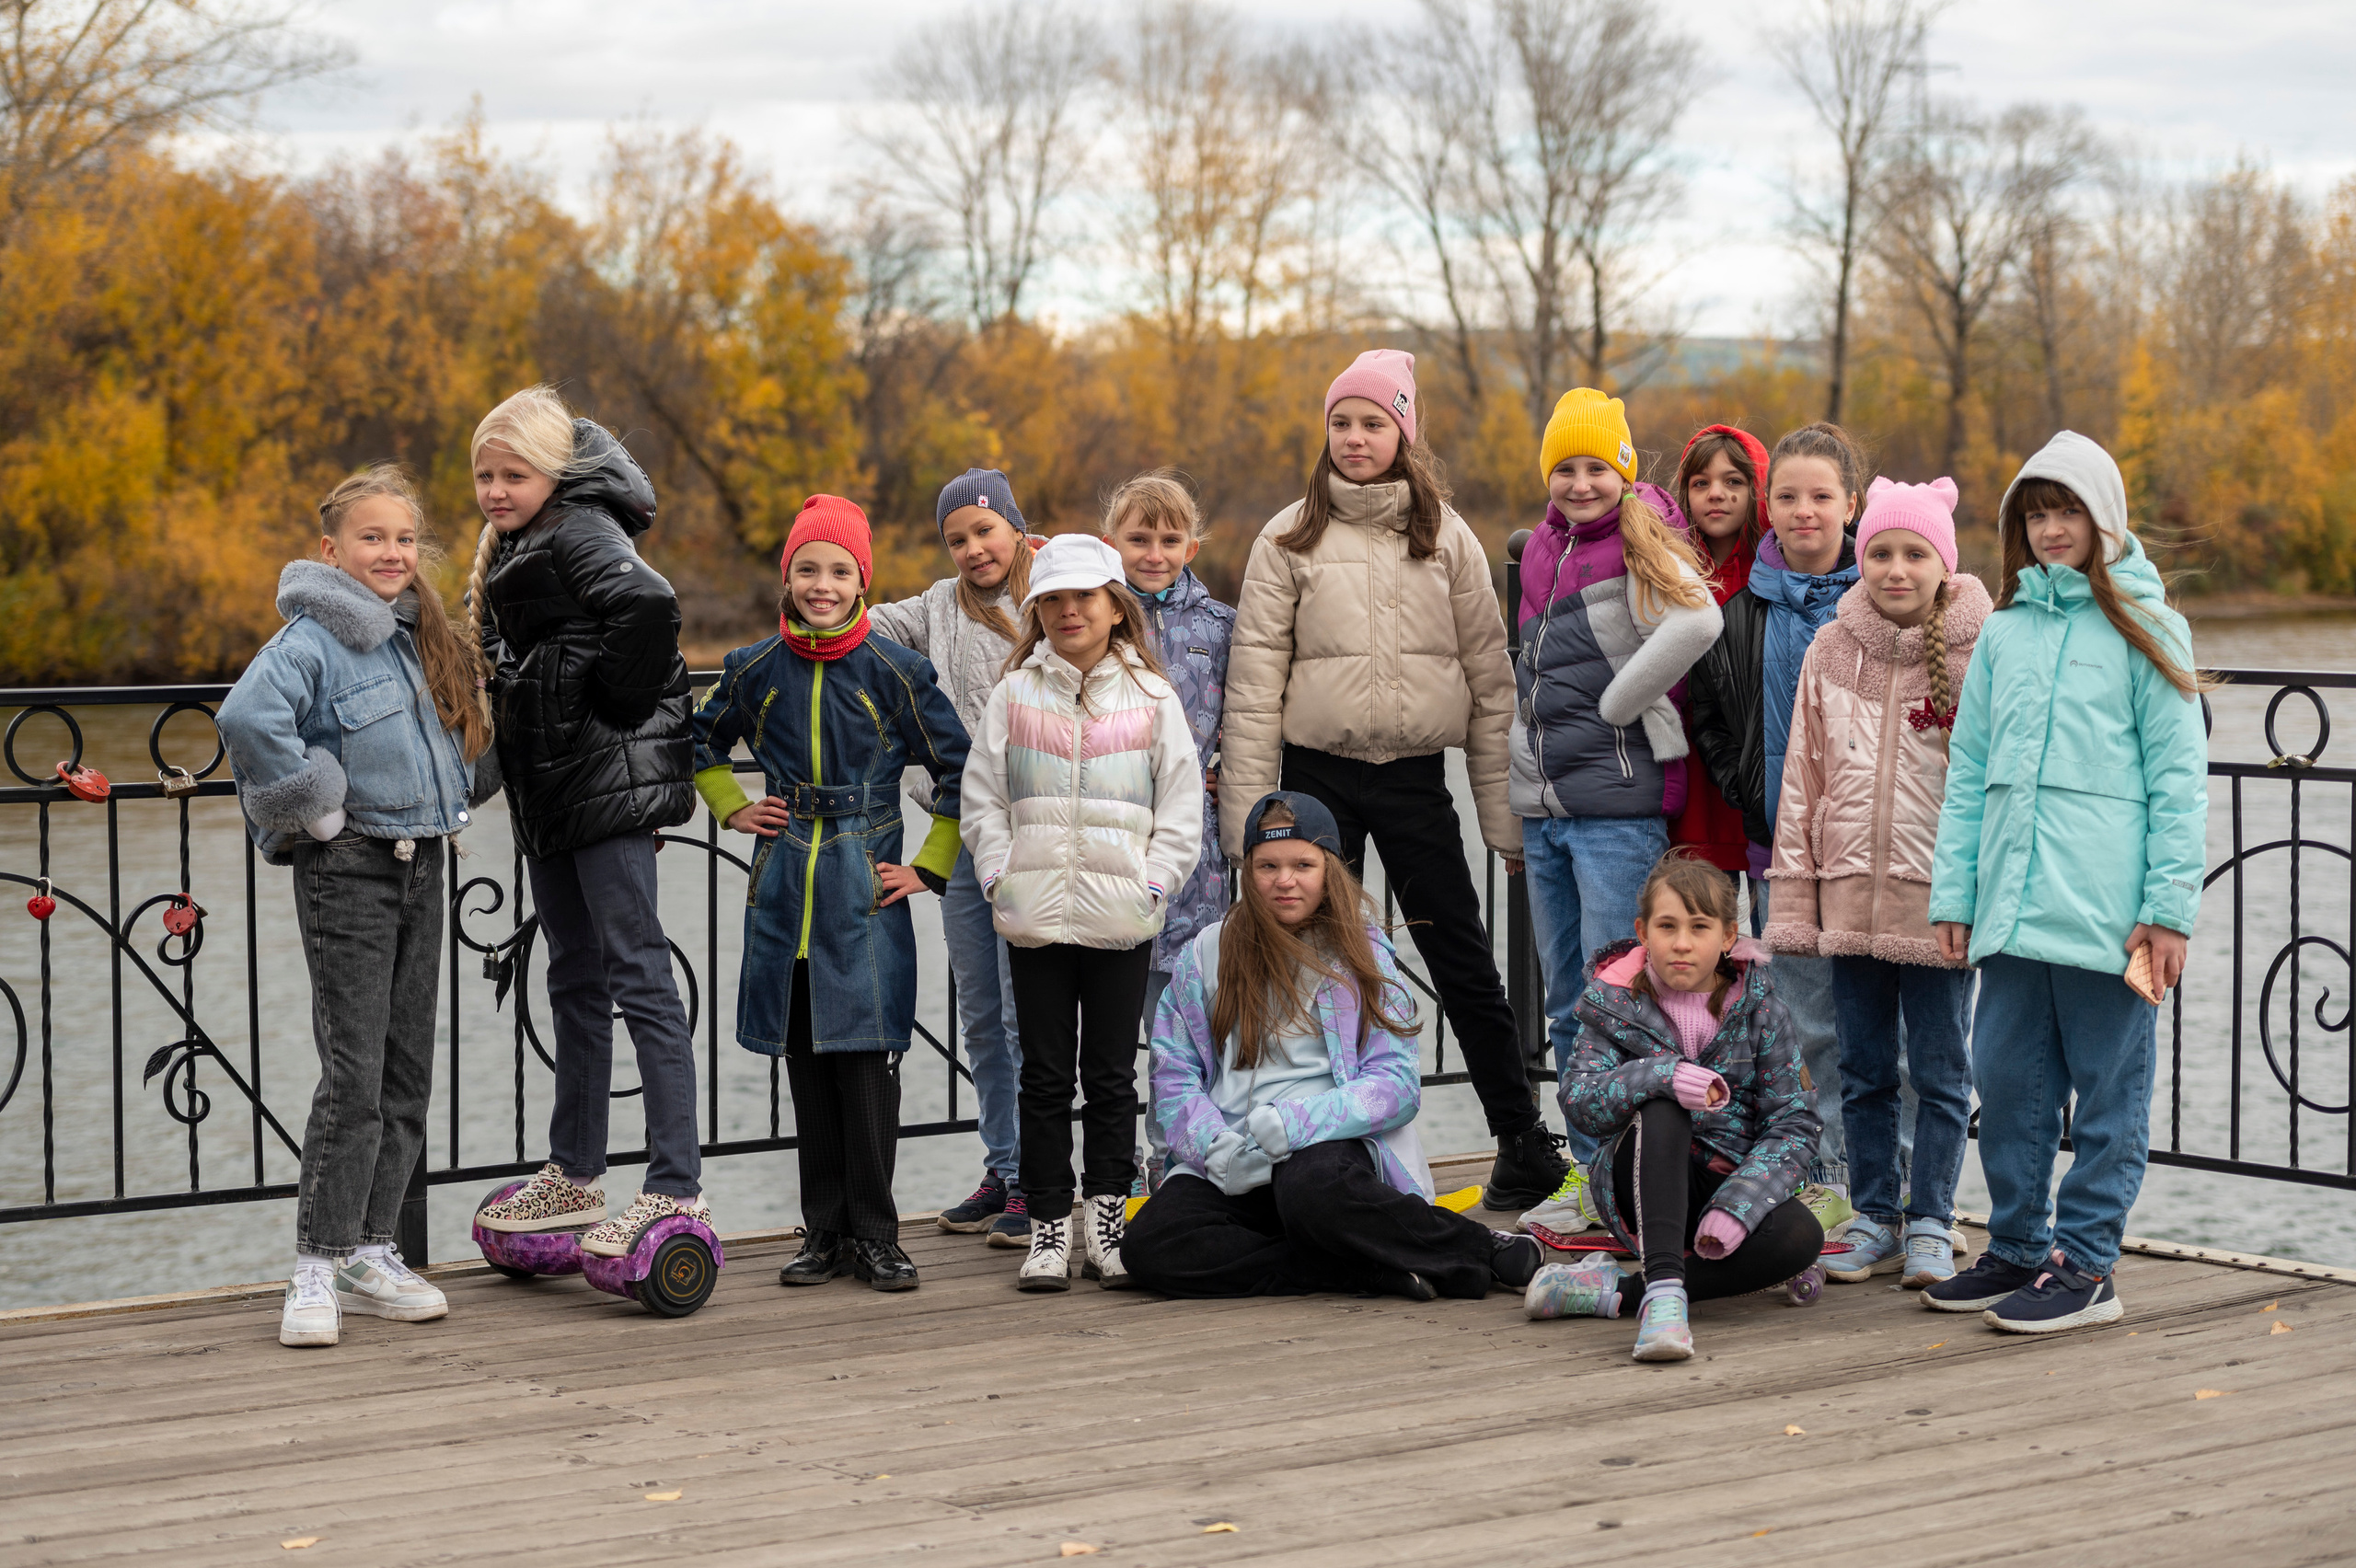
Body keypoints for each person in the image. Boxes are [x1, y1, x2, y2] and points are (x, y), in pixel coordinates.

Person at [1221, 350, 1566, 1211]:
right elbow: (1256, 684)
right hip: (1313, 784)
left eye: (1374, 423)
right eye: (1342, 422)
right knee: (1302, 964)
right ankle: (1285, 1145)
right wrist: (1247, 827)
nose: (1356, 437)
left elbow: (1492, 683)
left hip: (1413, 779)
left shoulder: (1446, 535)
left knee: (1458, 953)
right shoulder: (1286, 536)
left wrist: (1504, 823)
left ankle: (1520, 1138)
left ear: (1404, 433)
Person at [1925, 432, 2209, 1333]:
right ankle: (2014, 1245)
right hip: (2012, 913)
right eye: (2035, 514)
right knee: (2005, 1087)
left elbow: (2178, 780)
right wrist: (1955, 897)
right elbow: (1967, 772)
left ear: (2102, 518)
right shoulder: (2003, 634)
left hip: (2108, 922)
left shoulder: (2147, 627)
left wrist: (2167, 911)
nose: (2051, 529)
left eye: (2067, 511)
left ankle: (2085, 1267)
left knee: (2108, 1098)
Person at [221, 466, 497, 1348]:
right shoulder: (310, 641)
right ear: (332, 550)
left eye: (405, 538)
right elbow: (247, 719)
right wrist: (316, 805)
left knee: (407, 1068)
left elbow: (455, 745)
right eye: (373, 538)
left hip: (426, 866)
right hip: (350, 872)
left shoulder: (423, 636)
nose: (392, 553)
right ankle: (316, 1261)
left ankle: (374, 1249)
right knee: (354, 1079)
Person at [693, 495, 969, 1293]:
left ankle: (879, 1236)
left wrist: (929, 865)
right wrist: (731, 805)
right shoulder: (754, 668)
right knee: (807, 1065)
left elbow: (960, 768)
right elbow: (698, 740)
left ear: (862, 581)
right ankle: (823, 1234)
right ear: (787, 577)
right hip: (784, 886)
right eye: (807, 569)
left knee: (867, 1064)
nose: (822, 584)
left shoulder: (894, 670)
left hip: (864, 883)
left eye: (839, 571)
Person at [465, 386, 711, 1257]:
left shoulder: (577, 527)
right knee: (572, 975)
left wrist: (610, 700)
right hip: (555, 796)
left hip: (604, 793)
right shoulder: (514, 544)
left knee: (637, 973)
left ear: (554, 473)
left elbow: (648, 606)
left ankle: (676, 1184)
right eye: (486, 476)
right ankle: (575, 1172)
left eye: (515, 474)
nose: (497, 490)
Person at [1124, 793, 1543, 1300]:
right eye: (1268, 866)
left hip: (1327, 1149)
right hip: (1235, 1154)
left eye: (1303, 864)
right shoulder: (1204, 954)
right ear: (1247, 870)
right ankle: (1354, 1269)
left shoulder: (1362, 954)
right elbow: (1173, 1075)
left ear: (1330, 870)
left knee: (1313, 1195)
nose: (1285, 880)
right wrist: (1214, 1146)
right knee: (1150, 1245)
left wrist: (1295, 1125)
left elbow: (1396, 1085)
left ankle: (1485, 1251)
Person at [962, 534, 1205, 1291]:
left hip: (1120, 915)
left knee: (1108, 1077)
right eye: (1055, 600)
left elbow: (1181, 808)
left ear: (1113, 607)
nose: (1071, 611)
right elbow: (983, 800)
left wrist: (1153, 887)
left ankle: (1106, 1221)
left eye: (1085, 598)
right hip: (1034, 913)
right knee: (1041, 1076)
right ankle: (1045, 1227)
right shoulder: (1015, 693)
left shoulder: (1153, 698)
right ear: (1038, 611)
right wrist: (1001, 878)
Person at [1765, 477, 1991, 1289]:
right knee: (1860, 1068)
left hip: (1937, 908)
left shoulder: (1978, 652)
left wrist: (1976, 896)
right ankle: (1875, 1215)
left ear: (1943, 561)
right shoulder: (1831, 649)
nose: (1896, 569)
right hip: (1848, 895)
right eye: (1882, 553)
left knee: (1937, 1071)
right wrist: (1797, 899)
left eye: (1914, 554)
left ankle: (1933, 1215)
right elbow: (1804, 777)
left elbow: (1988, 789)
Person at [1510, 389, 1722, 1190]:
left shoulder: (1644, 539)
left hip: (1617, 813)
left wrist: (1618, 702)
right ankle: (1591, 1171)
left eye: (1597, 467)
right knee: (1569, 1004)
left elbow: (1698, 621)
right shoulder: (1540, 549)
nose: (1580, 483)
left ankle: (1652, 1174)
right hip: (1549, 808)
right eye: (1564, 468)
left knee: (1625, 997)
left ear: (1624, 471)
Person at [1526, 852, 1824, 1362]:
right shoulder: (1613, 1002)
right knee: (1663, 1108)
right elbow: (1580, 1101)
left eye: (1699, 927)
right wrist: (1664, 1076)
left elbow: (1794, 1123)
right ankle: (1664, 1297)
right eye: (1667, 926)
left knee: (1801, 1237)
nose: (1682, 943)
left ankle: (1616, 1292)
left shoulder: (1764, 1010)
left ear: (1728, 937)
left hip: (1725, 1188)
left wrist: (1738, 1206)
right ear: (1643, 931)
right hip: (1639, 1181)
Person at [1687, 421, 1871, 1235]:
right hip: (1779, 853)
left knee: (1880, 1024)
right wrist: (1750, 793)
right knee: (1802, 1026)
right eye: (1788, 497)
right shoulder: (1737, 615)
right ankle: (1824, 1177)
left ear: (1850, 505)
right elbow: (1712, 719)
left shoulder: (1887, 601)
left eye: (1821, 497)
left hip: (1874, 857)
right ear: (1769, 507)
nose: (1804, 512)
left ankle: (1894, 1194)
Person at [868, 468, 1036, 1249]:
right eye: (957, 538)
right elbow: (852, 625)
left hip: (1042, 835)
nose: (973, 549)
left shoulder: (1057, 593)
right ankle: (1003, 1164)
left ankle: (1045, 1170)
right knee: (981, 1011)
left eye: (985, 531)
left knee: (1028, 1006)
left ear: (1015, 528)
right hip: (964, 836)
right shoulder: (935, 607)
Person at [1100, 468, 1235, 1193]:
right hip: (1111, 837)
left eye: (1169, 539)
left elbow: (1246, 720)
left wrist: (1229, 779)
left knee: (1182, 1024)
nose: (1154, 552)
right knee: (1112, 1030)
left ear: (1191, 544)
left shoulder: (1219, 625)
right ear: (1111, 542)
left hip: (1194, 850)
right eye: (1138, 538)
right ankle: (1111, 1176)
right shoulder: (1095, 616)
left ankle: (1178, 1166)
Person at [1667, 425, 1771, 882]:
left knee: (1771, 938)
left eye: (1734, 482)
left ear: (1758, 489)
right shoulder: (1669, 568)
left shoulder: (1774, 573)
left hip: (1757, 768)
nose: (1717, 494)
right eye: (1701, 483)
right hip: (1692, 769)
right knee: (1706, 922)